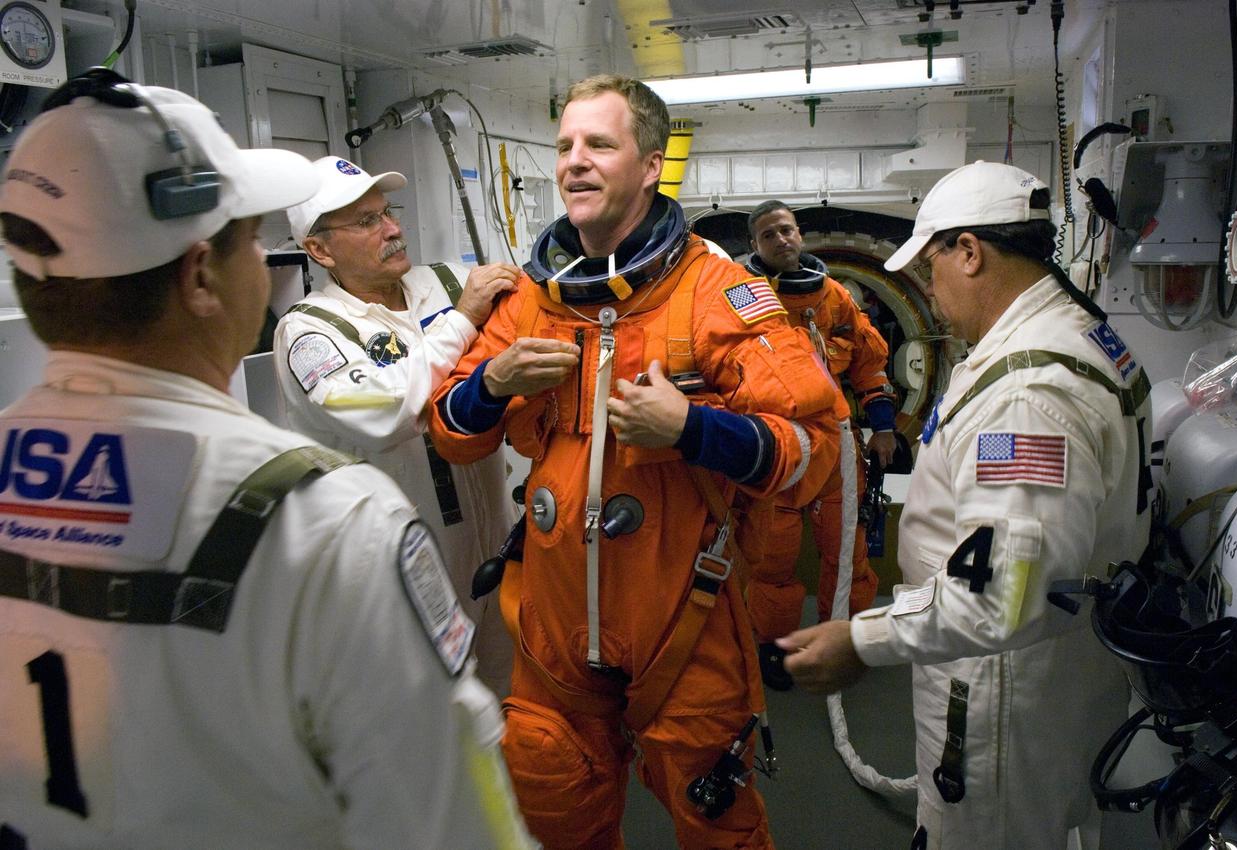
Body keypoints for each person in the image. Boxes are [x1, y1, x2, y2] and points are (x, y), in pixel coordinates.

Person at [0, 71, 531, 849]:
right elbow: (456, 823)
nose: (266, 262)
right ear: (201, 278)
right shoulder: (324, 520)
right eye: (252, 240)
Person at [427, 74, 840, 850]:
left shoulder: (716, 293)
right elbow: (452, 433)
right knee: (551, 818)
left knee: (720, 829)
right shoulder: (529, 301)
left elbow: (812, 453)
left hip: (680, 622)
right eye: (565, 147)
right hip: (552, 632)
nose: (574, 163)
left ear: (650, 164)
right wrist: (491, 381)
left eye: (599, 145)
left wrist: (693, 430)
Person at [779, 161, 1153, 850]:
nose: (930, 288)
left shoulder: (1027, 394)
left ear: (971, 251)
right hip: (1047, 675)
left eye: (932, 267)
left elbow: (1003, 597)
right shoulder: (1084, 337)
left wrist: (865, 639)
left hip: (998, 694)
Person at [274, 156, 521, 695]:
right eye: (366, 222)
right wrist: (464, 321)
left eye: (388, 212)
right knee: (435, 710)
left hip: (497, 537)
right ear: (319, 249)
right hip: (404, 559)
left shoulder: (450, 283)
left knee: (514, 704)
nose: (392, 229)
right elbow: (387, 411)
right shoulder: (310, 331)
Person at [741, 200, 898, 691]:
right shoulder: (744, 300)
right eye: (769, 235)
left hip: (838, 450)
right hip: (779, 449)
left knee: (846, 552)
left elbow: (868, 365)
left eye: (787, 230)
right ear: (755, 247)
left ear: (800, 234)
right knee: (772, 559)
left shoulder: (834, 299)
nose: (781, 240)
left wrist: (885, 426)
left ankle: (845, 641)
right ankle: (775, 647)